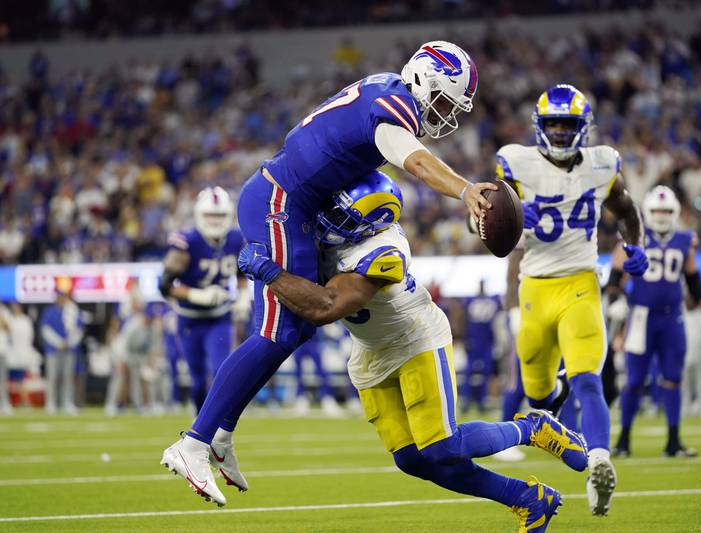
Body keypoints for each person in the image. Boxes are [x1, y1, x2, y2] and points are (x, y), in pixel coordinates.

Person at [161, 41, 496, 507]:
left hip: (286, 200)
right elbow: (415, 161)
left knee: (290, 333)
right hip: (282, 201)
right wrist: (463, 189)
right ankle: (195, 442)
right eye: (442, 100)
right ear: (424, 80)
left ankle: (220, 433)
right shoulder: (394, 104)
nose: (443, 114)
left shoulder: (384, 85)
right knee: (278, 333)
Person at [239, 171, 587, 532]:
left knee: (443, 448)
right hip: (370, 350)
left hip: (415, 340)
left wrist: (269, 271)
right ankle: (529, 498)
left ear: (371, 226)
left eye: (344, 217)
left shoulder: (382, 252)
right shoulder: (342, 230)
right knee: (411, 460)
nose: (330, 219)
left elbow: (326, 306)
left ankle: (532, 427)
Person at [498, 84, 648, 517]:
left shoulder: (602, 163)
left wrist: (636, 246)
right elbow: (482, 223)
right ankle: (558, 403)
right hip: (535, 287)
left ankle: (599, 459)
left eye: (569, 125)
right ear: (540, 127)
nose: (562, 133)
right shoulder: (516, 162)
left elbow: (627, 208)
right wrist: (503, 215)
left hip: (581, 282)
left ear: (584, 128)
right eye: (554, 125)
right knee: (539, 395)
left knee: (588, 378)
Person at [608, 185, 701, 458]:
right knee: (634, 380)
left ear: (675, 211)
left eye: (666, 210)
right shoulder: (633, 236)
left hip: (672, 319)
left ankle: (673, 442)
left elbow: (693, 278)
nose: (662, 215)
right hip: (641, 317)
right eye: (657, 210)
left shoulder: (684, 239)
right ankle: (623, 441)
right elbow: (614, 276)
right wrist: (616, 299)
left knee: (673, 379)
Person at [159, 186, 245, 413]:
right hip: (190, 319)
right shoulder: (187, 241)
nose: (215, 221)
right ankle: (199, 427)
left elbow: (243, 274)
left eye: (219, 215)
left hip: (220, 317)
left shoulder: (236, 239)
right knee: (197, 381)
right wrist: (198, 295)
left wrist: (244, 297)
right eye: (210, 215)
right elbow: (165, 285)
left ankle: (216, 427)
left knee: (219, 370)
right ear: (198, 214)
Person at [40, 281, 83, 415]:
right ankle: (51, 403)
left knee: (68, 377)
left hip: (69, 349)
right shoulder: (49, 311)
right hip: (53, 349)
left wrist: (69, 342)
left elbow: (79, 330)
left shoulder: (72, 311)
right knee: (52, 376)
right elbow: (45, 330)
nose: (62, 299)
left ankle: (67, 402)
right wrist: (59, 343)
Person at [461, 280, 502, 413]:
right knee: (469, 373)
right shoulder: (470, 300)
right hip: (474, 340)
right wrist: (465, 338)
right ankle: (467, 400)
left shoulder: (493, 300)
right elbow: (465, 319)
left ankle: (481, 400)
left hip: (487, 342)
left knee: (486, 373)